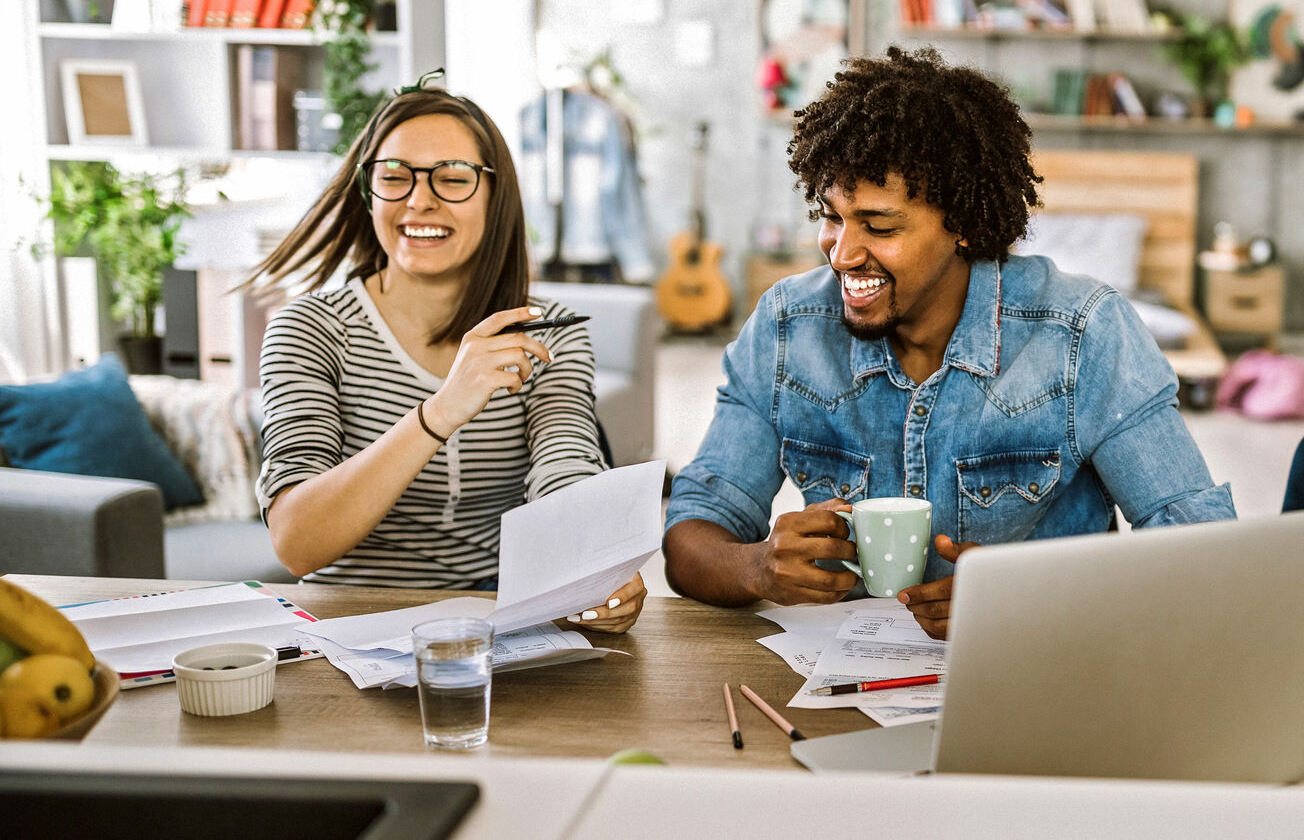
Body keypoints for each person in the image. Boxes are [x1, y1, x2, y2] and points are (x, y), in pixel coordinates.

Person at [663, 48, 1235, 638]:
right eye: (831, 215)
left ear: (961, 223)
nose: (841, 253)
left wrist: (1029, 598)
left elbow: (1204, 556)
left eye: (879, 227)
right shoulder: (787, 328)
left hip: (1034, 681)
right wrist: (755, 566)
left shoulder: (1083, 333)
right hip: (840, 688)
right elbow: (691, 534)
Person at [246, 72, 643, 632]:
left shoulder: (549, 329)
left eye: (452, 178)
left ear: (493, 193)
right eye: (395, 176)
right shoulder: (309, 329)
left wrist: (593, 562)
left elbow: (565, 457)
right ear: (368, 190)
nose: (420, 201)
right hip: (349, 616)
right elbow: (296, 543)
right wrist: (440, 412)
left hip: (498, 618)